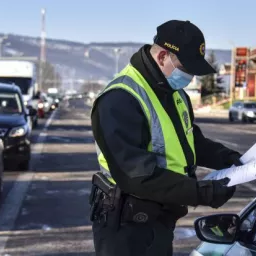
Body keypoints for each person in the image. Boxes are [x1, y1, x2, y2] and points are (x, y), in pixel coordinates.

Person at [90, 20, 241, 256]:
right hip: (127, 228)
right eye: (186, 68)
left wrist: (230, 159)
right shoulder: (120, 98)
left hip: (160, 220)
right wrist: (202, 192)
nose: (190, 76)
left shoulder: (173, 93)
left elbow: (191, 141)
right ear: (162, 57)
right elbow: (136, 174)